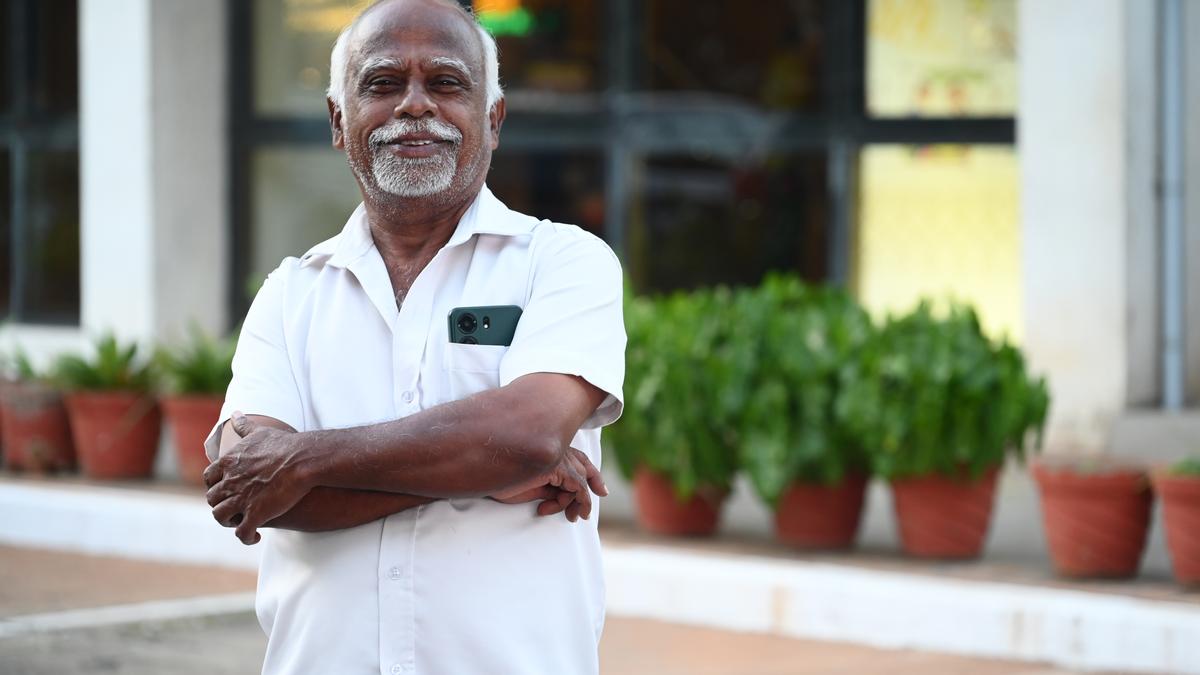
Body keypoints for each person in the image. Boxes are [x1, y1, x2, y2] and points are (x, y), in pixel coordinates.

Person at [201, 0, 625, 672]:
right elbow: (255, 490)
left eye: (448, 83)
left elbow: (526, 433)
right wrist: (489, 470)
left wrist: (303, 459)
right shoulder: (290, 293)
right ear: (340, 122)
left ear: (494, 119)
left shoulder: (564, 262)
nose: (414, 105)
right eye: (382, 83)